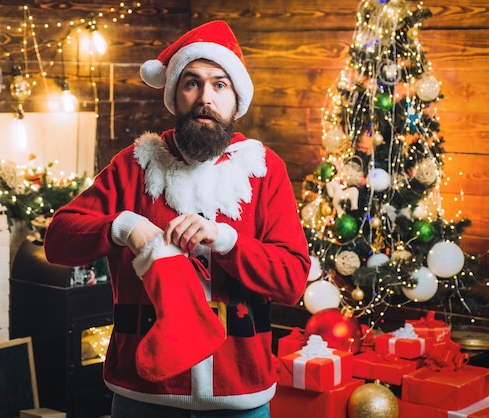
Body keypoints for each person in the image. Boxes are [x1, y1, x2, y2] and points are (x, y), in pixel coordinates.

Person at [44, 20, 310, 418]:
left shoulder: (263, 169)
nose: (206, 97)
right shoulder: (134, 164)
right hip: (143, 393)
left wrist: (226, 240)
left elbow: (291, 280)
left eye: (220, 84)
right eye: (192, 83)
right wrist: (124, 226)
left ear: (237, 99)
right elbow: (59, 240)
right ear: (174, 94)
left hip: (240, 392)